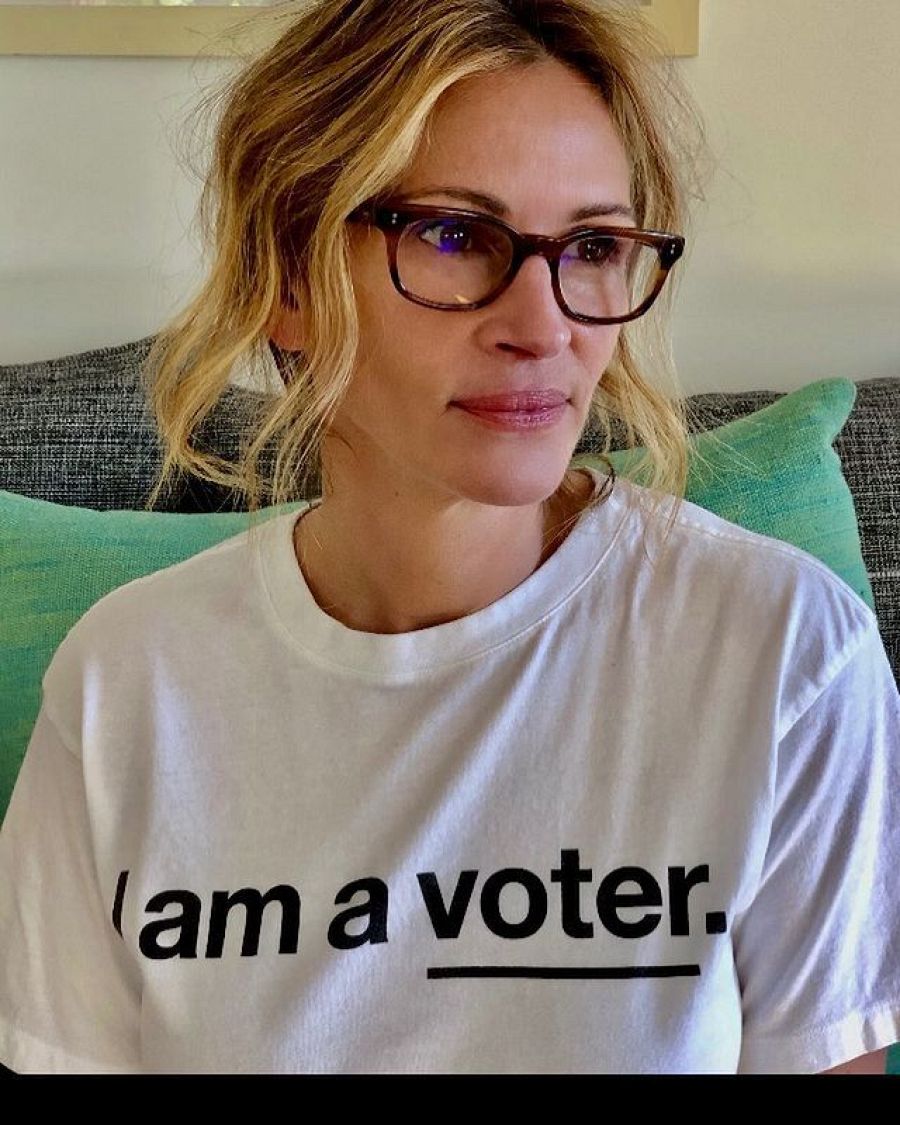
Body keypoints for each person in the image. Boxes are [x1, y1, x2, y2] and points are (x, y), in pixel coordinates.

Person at [1, 0, 898, 1075]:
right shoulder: (126, 681)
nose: (544, 324)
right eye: (453, 235)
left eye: (596, 246)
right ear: (286, 279)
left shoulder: (785, 653)